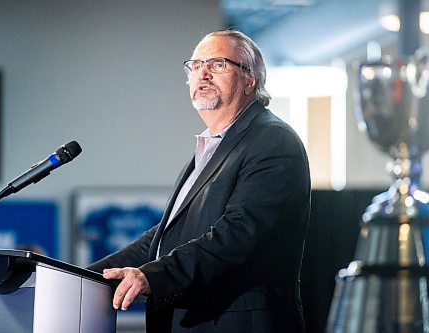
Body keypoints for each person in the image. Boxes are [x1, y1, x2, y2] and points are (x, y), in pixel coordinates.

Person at [88, 29, 311, 333]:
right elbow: (165, 238)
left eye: (218, 64)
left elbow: (236, 234)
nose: (202, 74)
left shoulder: (272, 140)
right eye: (195, 66)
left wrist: (152, 277)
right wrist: (84, 276)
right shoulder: (213, 148)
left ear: (250, 78)